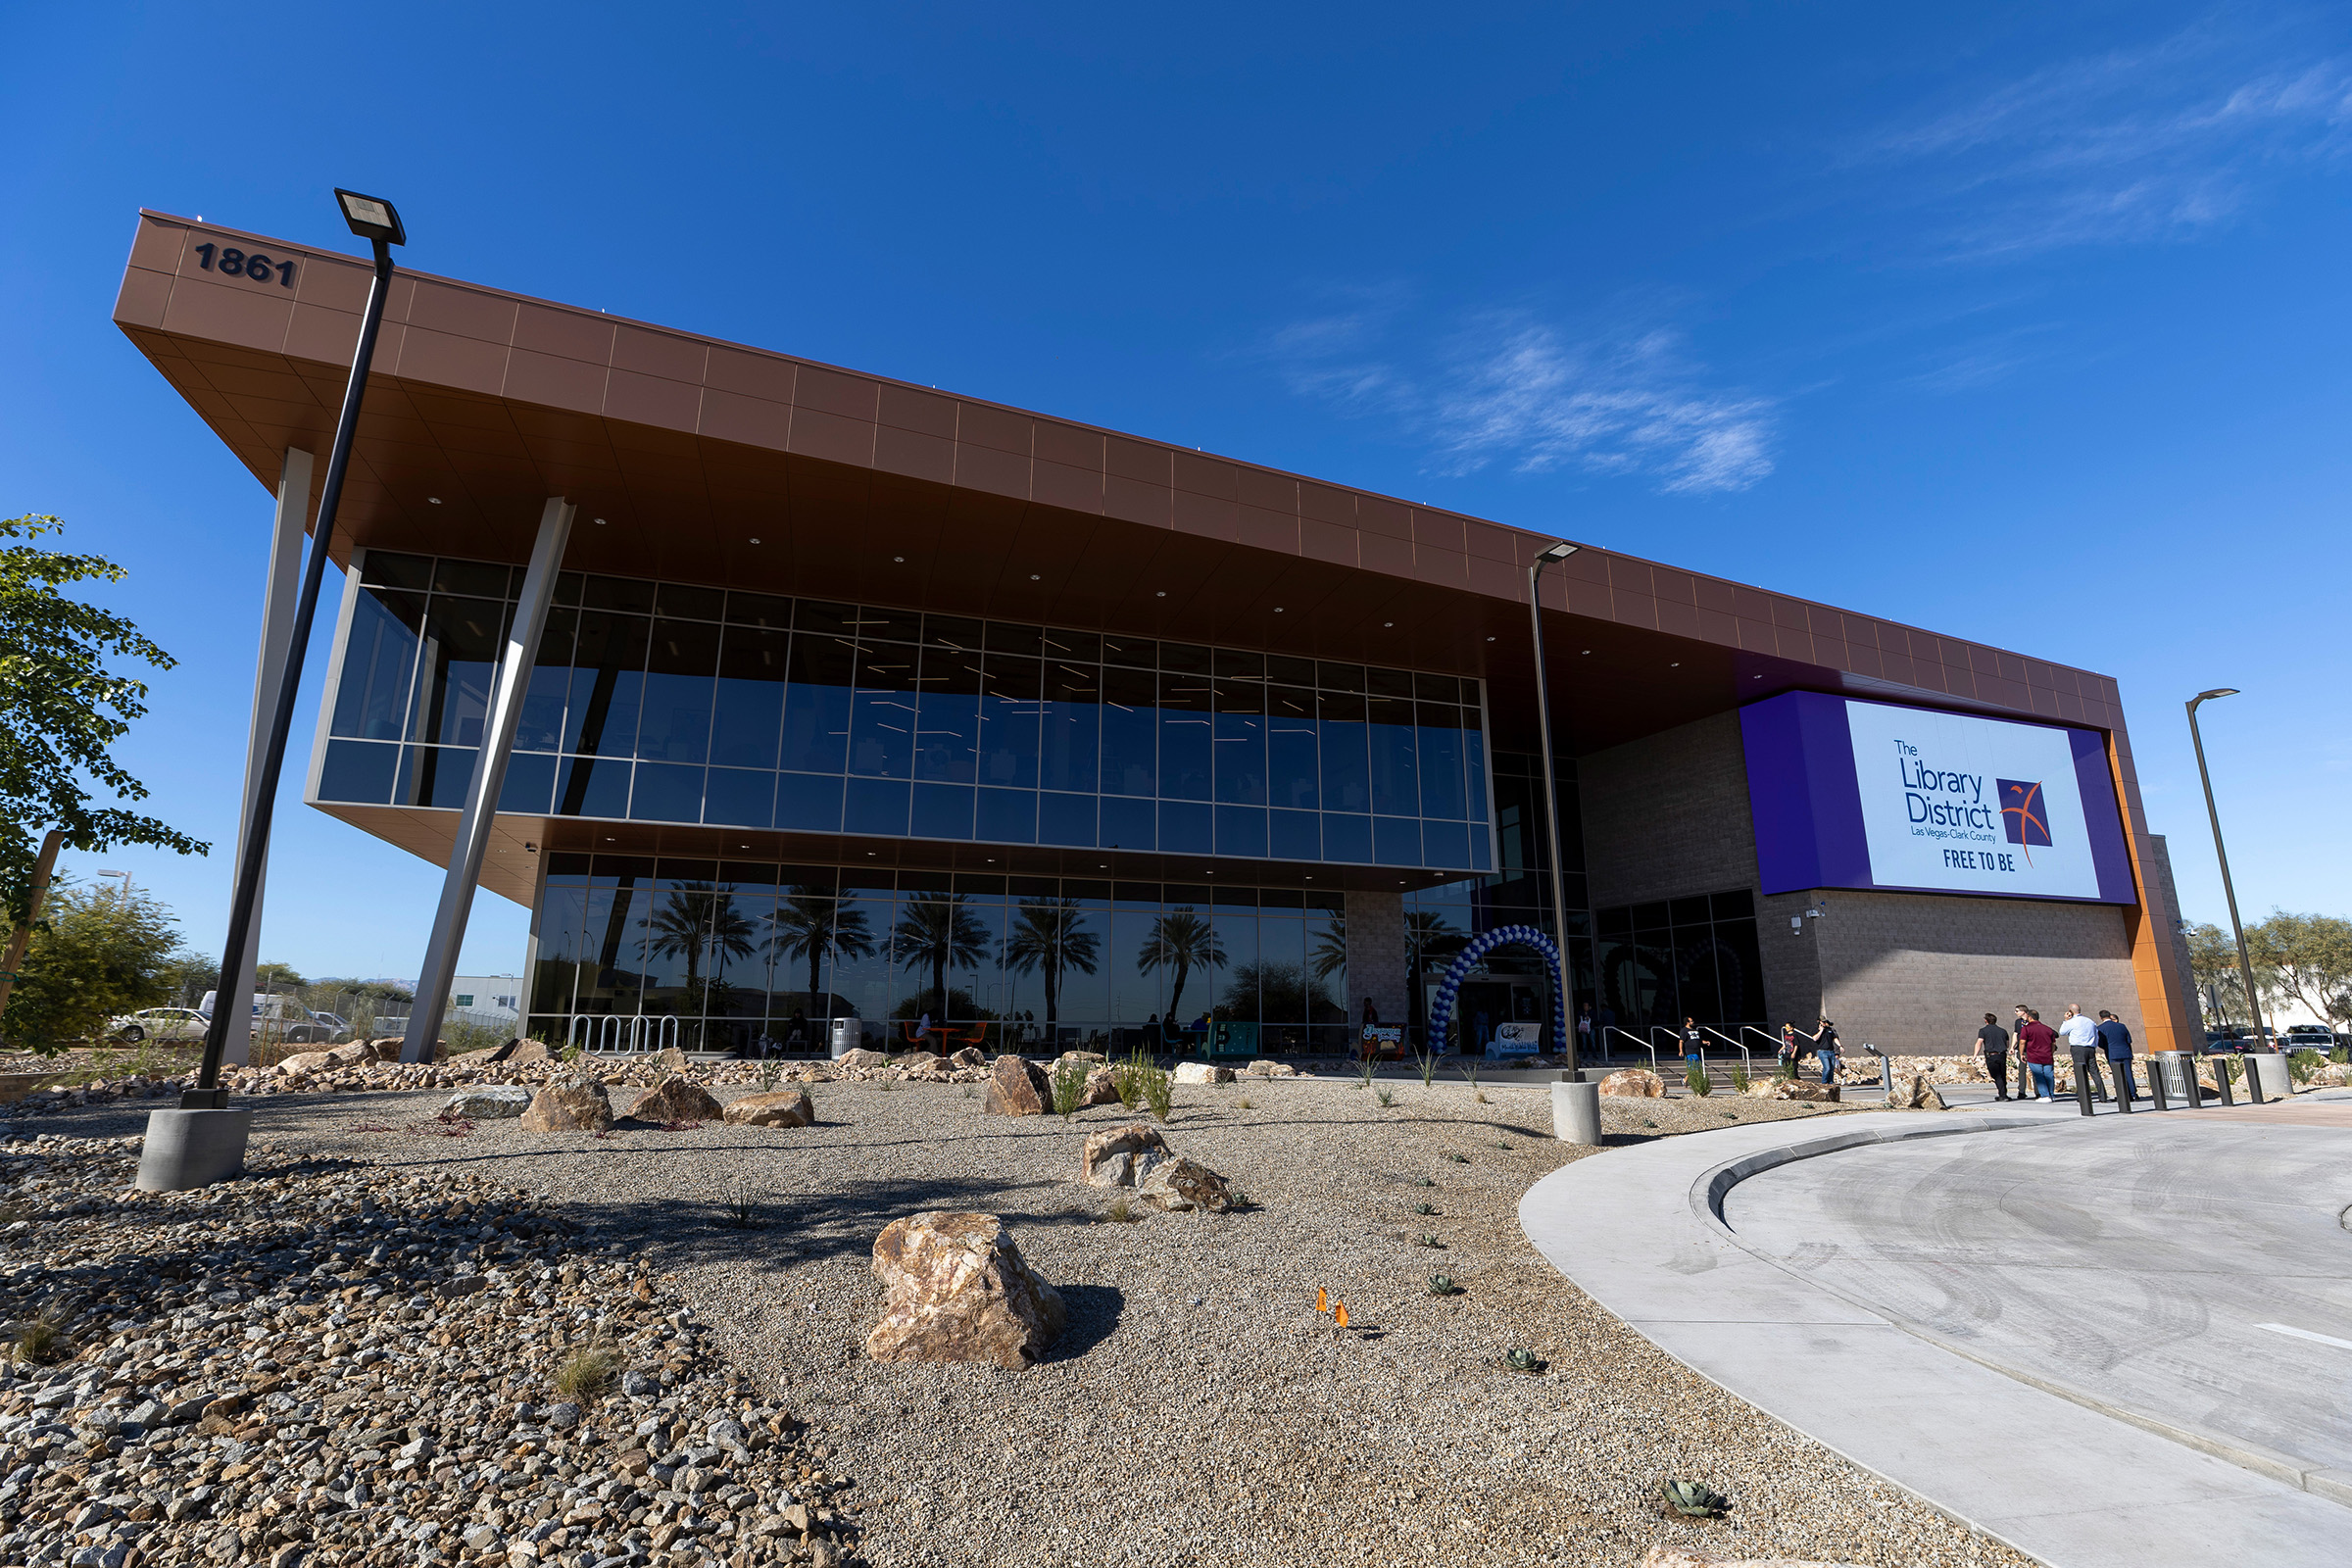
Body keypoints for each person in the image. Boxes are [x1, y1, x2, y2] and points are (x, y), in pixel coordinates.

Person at [2059, 1004, 2108, 1102]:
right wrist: (2094, 1045)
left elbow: (2062, 1032)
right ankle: (2103, 1096)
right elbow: (2096, 1035)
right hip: (2090, 1048)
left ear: (2070, 1012)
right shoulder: (2090, 1021)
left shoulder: (2072, 1022)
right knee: (2094, 1072)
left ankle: (2084, 1096)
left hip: (2078, 1048)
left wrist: (2066, 1020)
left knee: (2081, 1072)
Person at [2016, 1008, 2060, 1101]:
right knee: (2049, 1075)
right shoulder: (2047, 1029)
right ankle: (2051, 1094)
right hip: (2047, 1056)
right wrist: (2051, 1053)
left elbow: (2022, 1042)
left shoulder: (2026, 1028)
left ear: (2030, 1017)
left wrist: (2021, 1053)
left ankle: (2045, 1095)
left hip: (2034, 1056)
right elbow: (2053, 1043)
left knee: (2039, 1076)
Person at [2095, 1009, 2137, 1102]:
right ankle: (2133, 1094)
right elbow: (2128, 1040)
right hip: (2125, 1052)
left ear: (2100, 1017)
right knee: (2128, 1073)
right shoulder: (2121, 1026)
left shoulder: (2100, 1028)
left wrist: (2107, 1047)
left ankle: (2122, 1094)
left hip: (2112, 1053)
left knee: (2117, 1075)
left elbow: (2100, 1043)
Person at [1976, 1012, 2011, 1102]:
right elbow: (2007, 1044)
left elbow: (1979, 1042)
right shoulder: (2003, 1031)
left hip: (1991, 1056)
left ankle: (2003, 1095)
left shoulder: (1983, 1031)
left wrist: (1975, 1055)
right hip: (2002, 1055)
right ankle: (2003, 1093)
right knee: (2002, 1074)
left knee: (1996, 1075)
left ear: (1986, 1021)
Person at [1808, 1017, 1840, 1084]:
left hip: (1831, 1051)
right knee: (1827, 1068)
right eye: (1823, 1022)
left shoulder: (1830, 1029)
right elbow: (1815, 1038)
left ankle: (1831, 1082)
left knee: (1831, 1068)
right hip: (1823, 1051)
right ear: (1819, 1022)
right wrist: (1821, 1030)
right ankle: (1824, 1083)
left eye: (1825, 1022)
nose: (1824, 1023)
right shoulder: (1816, 1030)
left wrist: (1840, 1046)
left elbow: (1835, 1038)